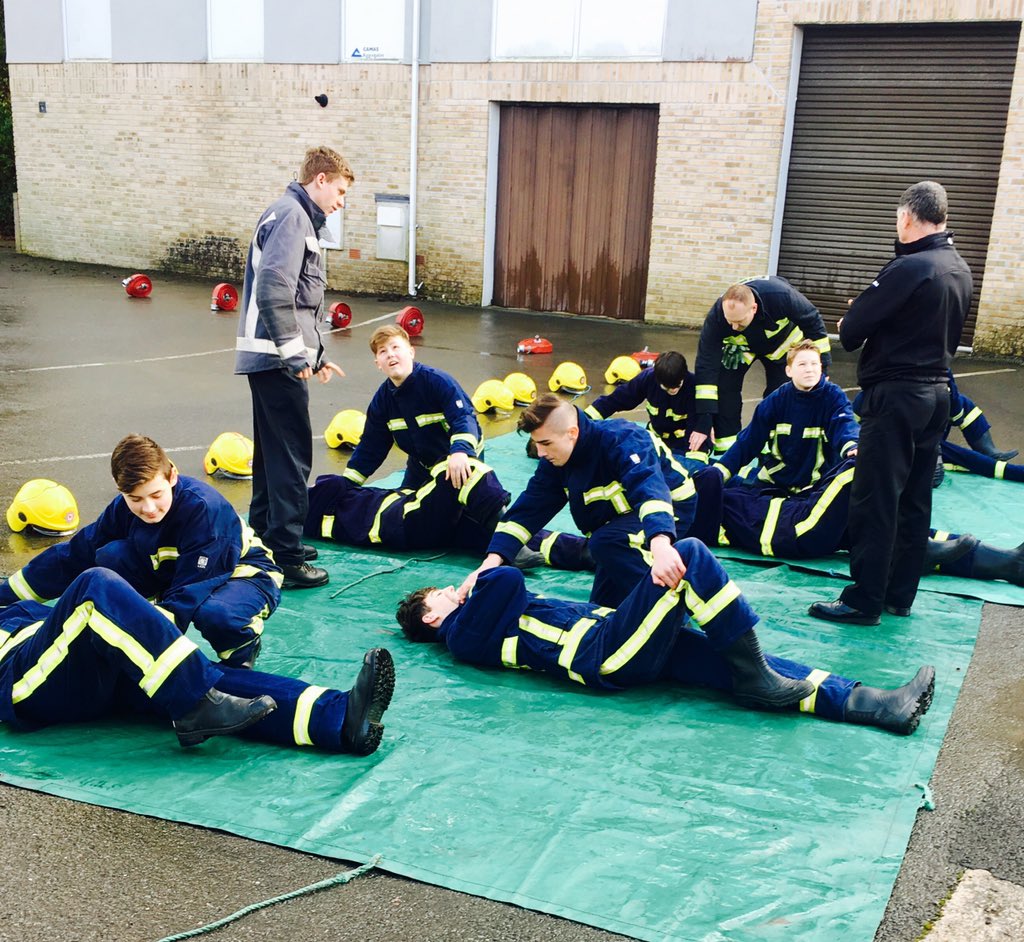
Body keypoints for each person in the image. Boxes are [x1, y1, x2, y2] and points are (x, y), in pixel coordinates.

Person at [396, 537, 935, 735]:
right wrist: (476, 577)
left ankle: (873, 704)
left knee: (739, 663)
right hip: (604, 656)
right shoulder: (463, 636)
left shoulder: (479, 616)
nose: (450, 588)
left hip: (614, 635)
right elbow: (508, 576)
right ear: (430, 619)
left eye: (448, 588)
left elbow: (515, 589)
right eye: (438, 594)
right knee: (689, 555)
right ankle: (755, 677)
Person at [0, 567, 394, 754]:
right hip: (23, 681)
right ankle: (194, 705)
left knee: (208, 680)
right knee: (93, 586)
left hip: (81, 671)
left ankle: (339, 719)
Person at [810, 181, 972, 625]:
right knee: (916, 500)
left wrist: (853, 314)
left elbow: (850, 331)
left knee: (876, 500)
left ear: (906, 217)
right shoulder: (958, 267)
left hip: (897, 397)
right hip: (937, 394)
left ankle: (864, 600)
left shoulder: (909, 268)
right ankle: (899, 595)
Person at [0, 435, 280, 670]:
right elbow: (75, 554)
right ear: (121, 491)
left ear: (172, 476)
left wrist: (152, 648)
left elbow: (190, 591)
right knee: (108, 557)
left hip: (242, 572)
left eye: (156, 495)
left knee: (215, 614)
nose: (148, 508)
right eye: (135, 498)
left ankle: (241, 654)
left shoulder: (203, 510)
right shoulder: (122, 509)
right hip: (177, 573)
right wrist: (5, 595)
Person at [235, 145, 352, 590]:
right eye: (339, 191)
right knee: (291, 458)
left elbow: (299, 301)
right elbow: (275, 287)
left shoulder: (292, 214)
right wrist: (294, 354)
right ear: (319, 180)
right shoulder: (293, 217)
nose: (341, 201)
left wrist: (314, 355)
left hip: (272, 356)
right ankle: (285, 555)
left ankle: (268, 538)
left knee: (271, 456)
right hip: (276, 358)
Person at [458, 394, 698, 609]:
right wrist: (491, 562)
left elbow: (650, 488)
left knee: (607, 543)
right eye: (536, 444)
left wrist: (660, 543)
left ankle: (671, 607)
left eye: (545, 443)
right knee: (602, 607)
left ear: (572, 433)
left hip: (671, 506)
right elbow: (528, 509)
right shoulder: (555, 462)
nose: (540, 453)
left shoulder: (622, 439)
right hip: (618, 520)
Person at [306, 458, 593, 570]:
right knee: (461, 469)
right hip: (402, 521)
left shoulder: (312, 513)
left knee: (498, 534)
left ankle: (589, 553)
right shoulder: (313, 500)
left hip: (411, 528)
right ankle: (511, 541)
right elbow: (339, 482)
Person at [690, 277, 831, 457]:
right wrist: (705, 418)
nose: (733, 326)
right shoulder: (717, 316)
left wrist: (823, 368)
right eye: (730, 321)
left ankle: (777, 450)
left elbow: (814, 324)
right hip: (743, 348)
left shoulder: (780, 296)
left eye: (739, 322)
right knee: (725, 388)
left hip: (782, 345)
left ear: (754, 308)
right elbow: (706, 365)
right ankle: (727, 450)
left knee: (780, 395)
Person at [342, 325, 483, 492]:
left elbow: (463, 417)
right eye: (382, 351)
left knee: (467, 511)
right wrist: (345, 484)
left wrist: (461, 451)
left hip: (459, 458)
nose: (390, 354)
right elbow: (371, 446)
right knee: (407, 512)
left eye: (395, 347)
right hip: (421, 465)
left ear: (411, 352)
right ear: (378, 363)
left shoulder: (438, 382)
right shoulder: (381, 401)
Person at [714, 339, 859, 492]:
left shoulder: (833, 396)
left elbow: (844, 424)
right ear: (789, 371)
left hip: (818, 486)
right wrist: (719, 471)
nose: (809, 369)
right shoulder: (775, 401)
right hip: (776, 483)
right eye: (802, 364)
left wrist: (853, 446)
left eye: (814, 364)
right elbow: (748, 442)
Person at [585, 351, 705, 467]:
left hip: (686, 442)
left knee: (691, 468)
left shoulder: (694, 386)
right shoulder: (648, 379)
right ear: (658, 380)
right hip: (655, 438)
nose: (673, 390)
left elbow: (695, 427)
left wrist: (692, 463)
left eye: (677, 385)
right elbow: (616, 400)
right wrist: (584, 419)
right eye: (667, 388)